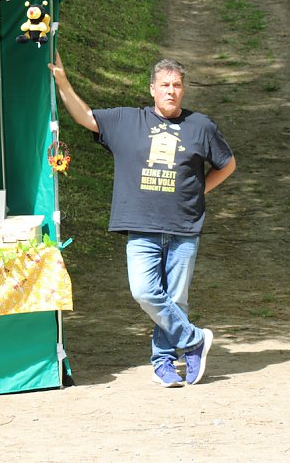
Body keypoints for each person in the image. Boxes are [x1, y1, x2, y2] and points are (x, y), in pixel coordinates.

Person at [48, 53, 236, 387]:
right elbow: (86, 117)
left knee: (176, 300)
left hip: (184, 227)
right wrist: (63, 81)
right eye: (164, 85)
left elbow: (227, 164)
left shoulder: (201, 127)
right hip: (142, 228)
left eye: (177, 85)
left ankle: (164, 362)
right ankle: (194, 340)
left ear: (183, 90)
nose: (171, 91)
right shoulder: (128, 121)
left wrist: (199, 192)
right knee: (145, 292)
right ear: (152, 89)